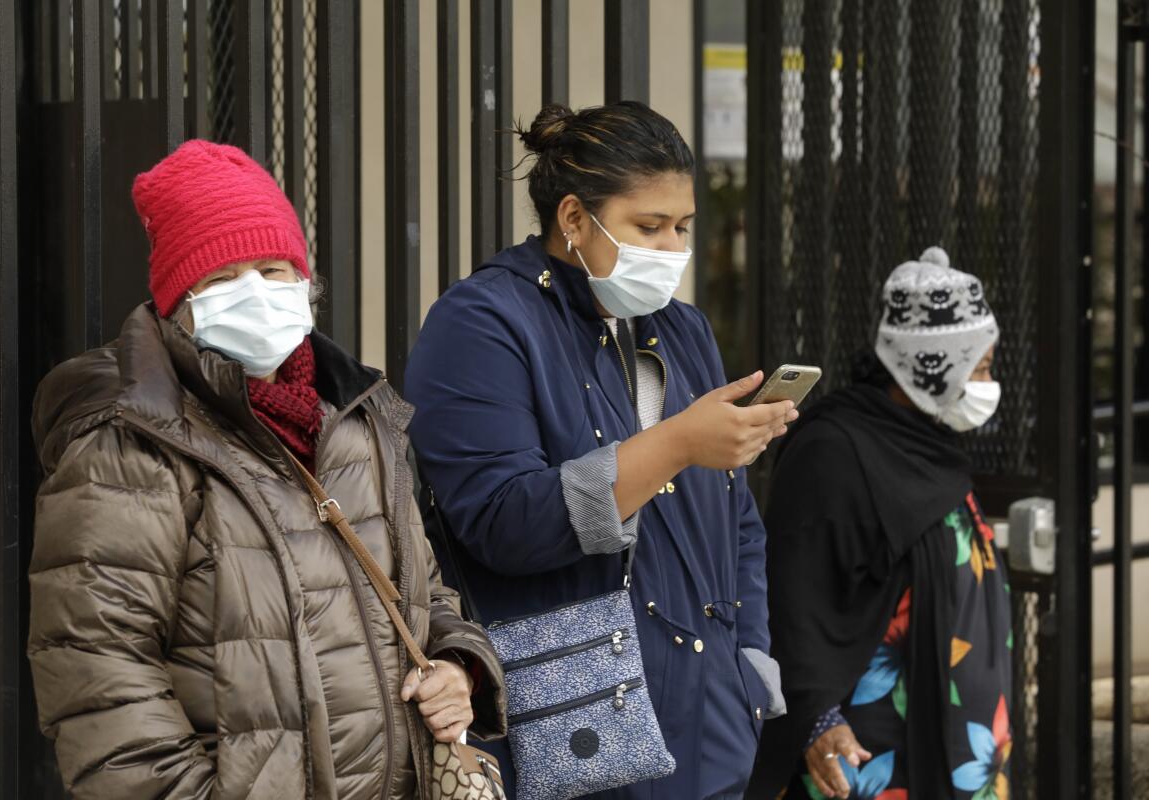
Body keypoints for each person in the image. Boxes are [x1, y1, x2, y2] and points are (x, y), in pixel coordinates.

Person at [26, 140, 505, 799]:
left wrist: (455, 664)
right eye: (223, 277)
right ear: (179, 301)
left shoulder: (356, 421)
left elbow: (423, 592)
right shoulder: (130, 445)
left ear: (307, 284)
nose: (256, 291)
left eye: (275, 268)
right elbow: (100, 681)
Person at [403, 101, 795, 799]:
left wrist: (752, 662)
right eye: (649, 226)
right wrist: (675, 444)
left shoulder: (683, 330)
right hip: (572, 741)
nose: (673, 248)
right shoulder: (483, 322)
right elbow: (501, 523)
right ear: (575, 219)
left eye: (682, 227)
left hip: (712, 733)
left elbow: (739, 526)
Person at [748, 247, 1011, 800]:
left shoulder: (930, 448)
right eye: (980, 368)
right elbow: (793, 594)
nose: (990, 383)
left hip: (962, 738)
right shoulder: (836, 451)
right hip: (869, 749)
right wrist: (816, 718)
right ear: (933, 366)